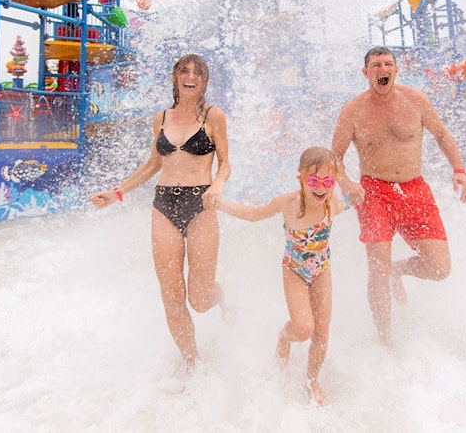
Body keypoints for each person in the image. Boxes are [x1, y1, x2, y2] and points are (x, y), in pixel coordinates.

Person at [90, 53, 230, 370]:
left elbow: (225, 164)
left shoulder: (213, 116)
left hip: (201, 204)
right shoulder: (161, 118)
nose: (190, 76)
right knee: (171, 293)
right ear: (176, 77)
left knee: (199, 298)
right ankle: (193, 365)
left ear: (204, 81)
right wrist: (117, 193)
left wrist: (218, 184)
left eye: (197, 72)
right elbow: (154, 163)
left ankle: (221, 296)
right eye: (184, 70)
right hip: (164, 204)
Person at [331, 46, 466, 344]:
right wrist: (346, 184)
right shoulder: (353, 111)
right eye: (375, 65)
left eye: (387, 64)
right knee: (377, 270)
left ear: (396, 70)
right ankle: (386, 340)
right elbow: (335, 158)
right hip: (374, 193)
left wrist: (459, 169)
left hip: (415, 190)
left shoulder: (416, 100)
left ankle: (398, 271)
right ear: (366, 72)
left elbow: (442, 135)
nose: (382, 69)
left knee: (439, 268)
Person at [217, 147, 345, 406]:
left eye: (327, 181)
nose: (320, 188)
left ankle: (312, 380)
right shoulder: (288, 204)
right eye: (313, 181)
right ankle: (283, 337)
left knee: (321, 334)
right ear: (301, 178)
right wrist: (220, 204)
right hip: (294, 270)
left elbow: (355, 199)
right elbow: (254, 215)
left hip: (322, 269)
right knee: (303, 328)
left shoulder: (334, 203)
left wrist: (362, 194)